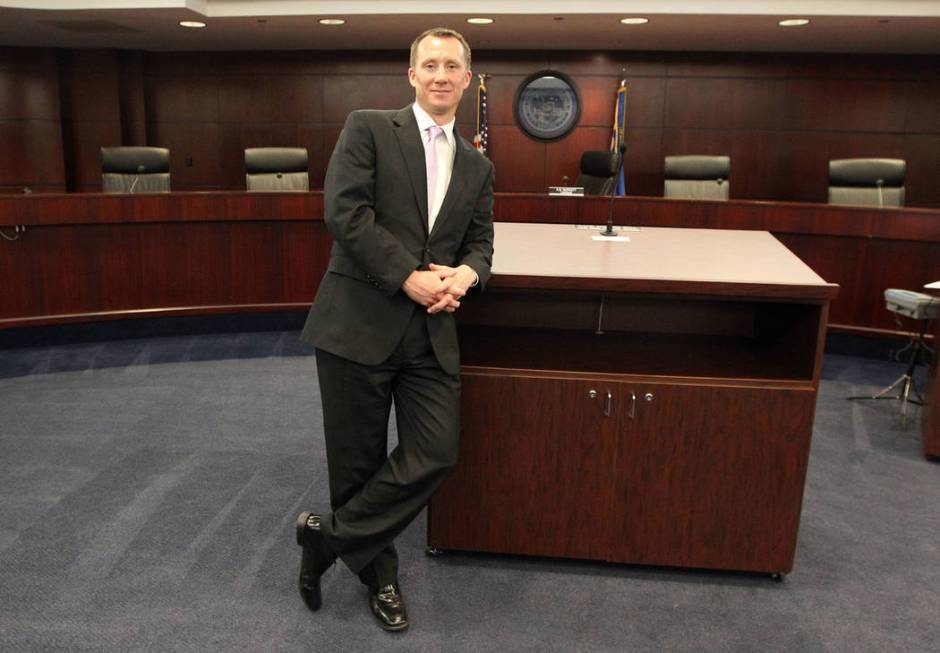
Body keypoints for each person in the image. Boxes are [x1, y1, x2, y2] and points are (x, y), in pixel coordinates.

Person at [294, 27, 494, 632]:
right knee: (355, 466)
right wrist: (406, 274)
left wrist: (467, 275)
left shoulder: (478, 165)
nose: (439, 74)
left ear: (466, 79)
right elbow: (344, 213)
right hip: (357, 324)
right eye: (428, 64)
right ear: (411, 76)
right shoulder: (370, 127)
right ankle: (381, 576)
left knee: (436, 452)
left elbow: (481, 244)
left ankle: (324, 539)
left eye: (451, 66)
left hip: (431, 333)